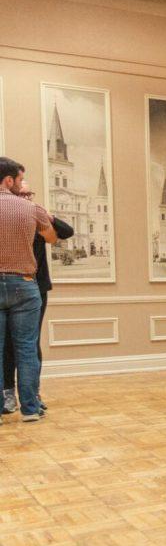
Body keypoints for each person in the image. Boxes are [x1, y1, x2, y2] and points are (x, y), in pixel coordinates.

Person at [2, 166, 73, 416]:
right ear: (10, 183)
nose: (27, 192)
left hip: (30, 284)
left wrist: (43, 213)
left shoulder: (32, 211)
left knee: (23, 345)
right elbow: (54, 238)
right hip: (23, 283)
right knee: (19, 347)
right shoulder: (24, 212)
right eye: (22, 185)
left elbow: (65, 232)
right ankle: (21, 402)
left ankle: (21, 398)